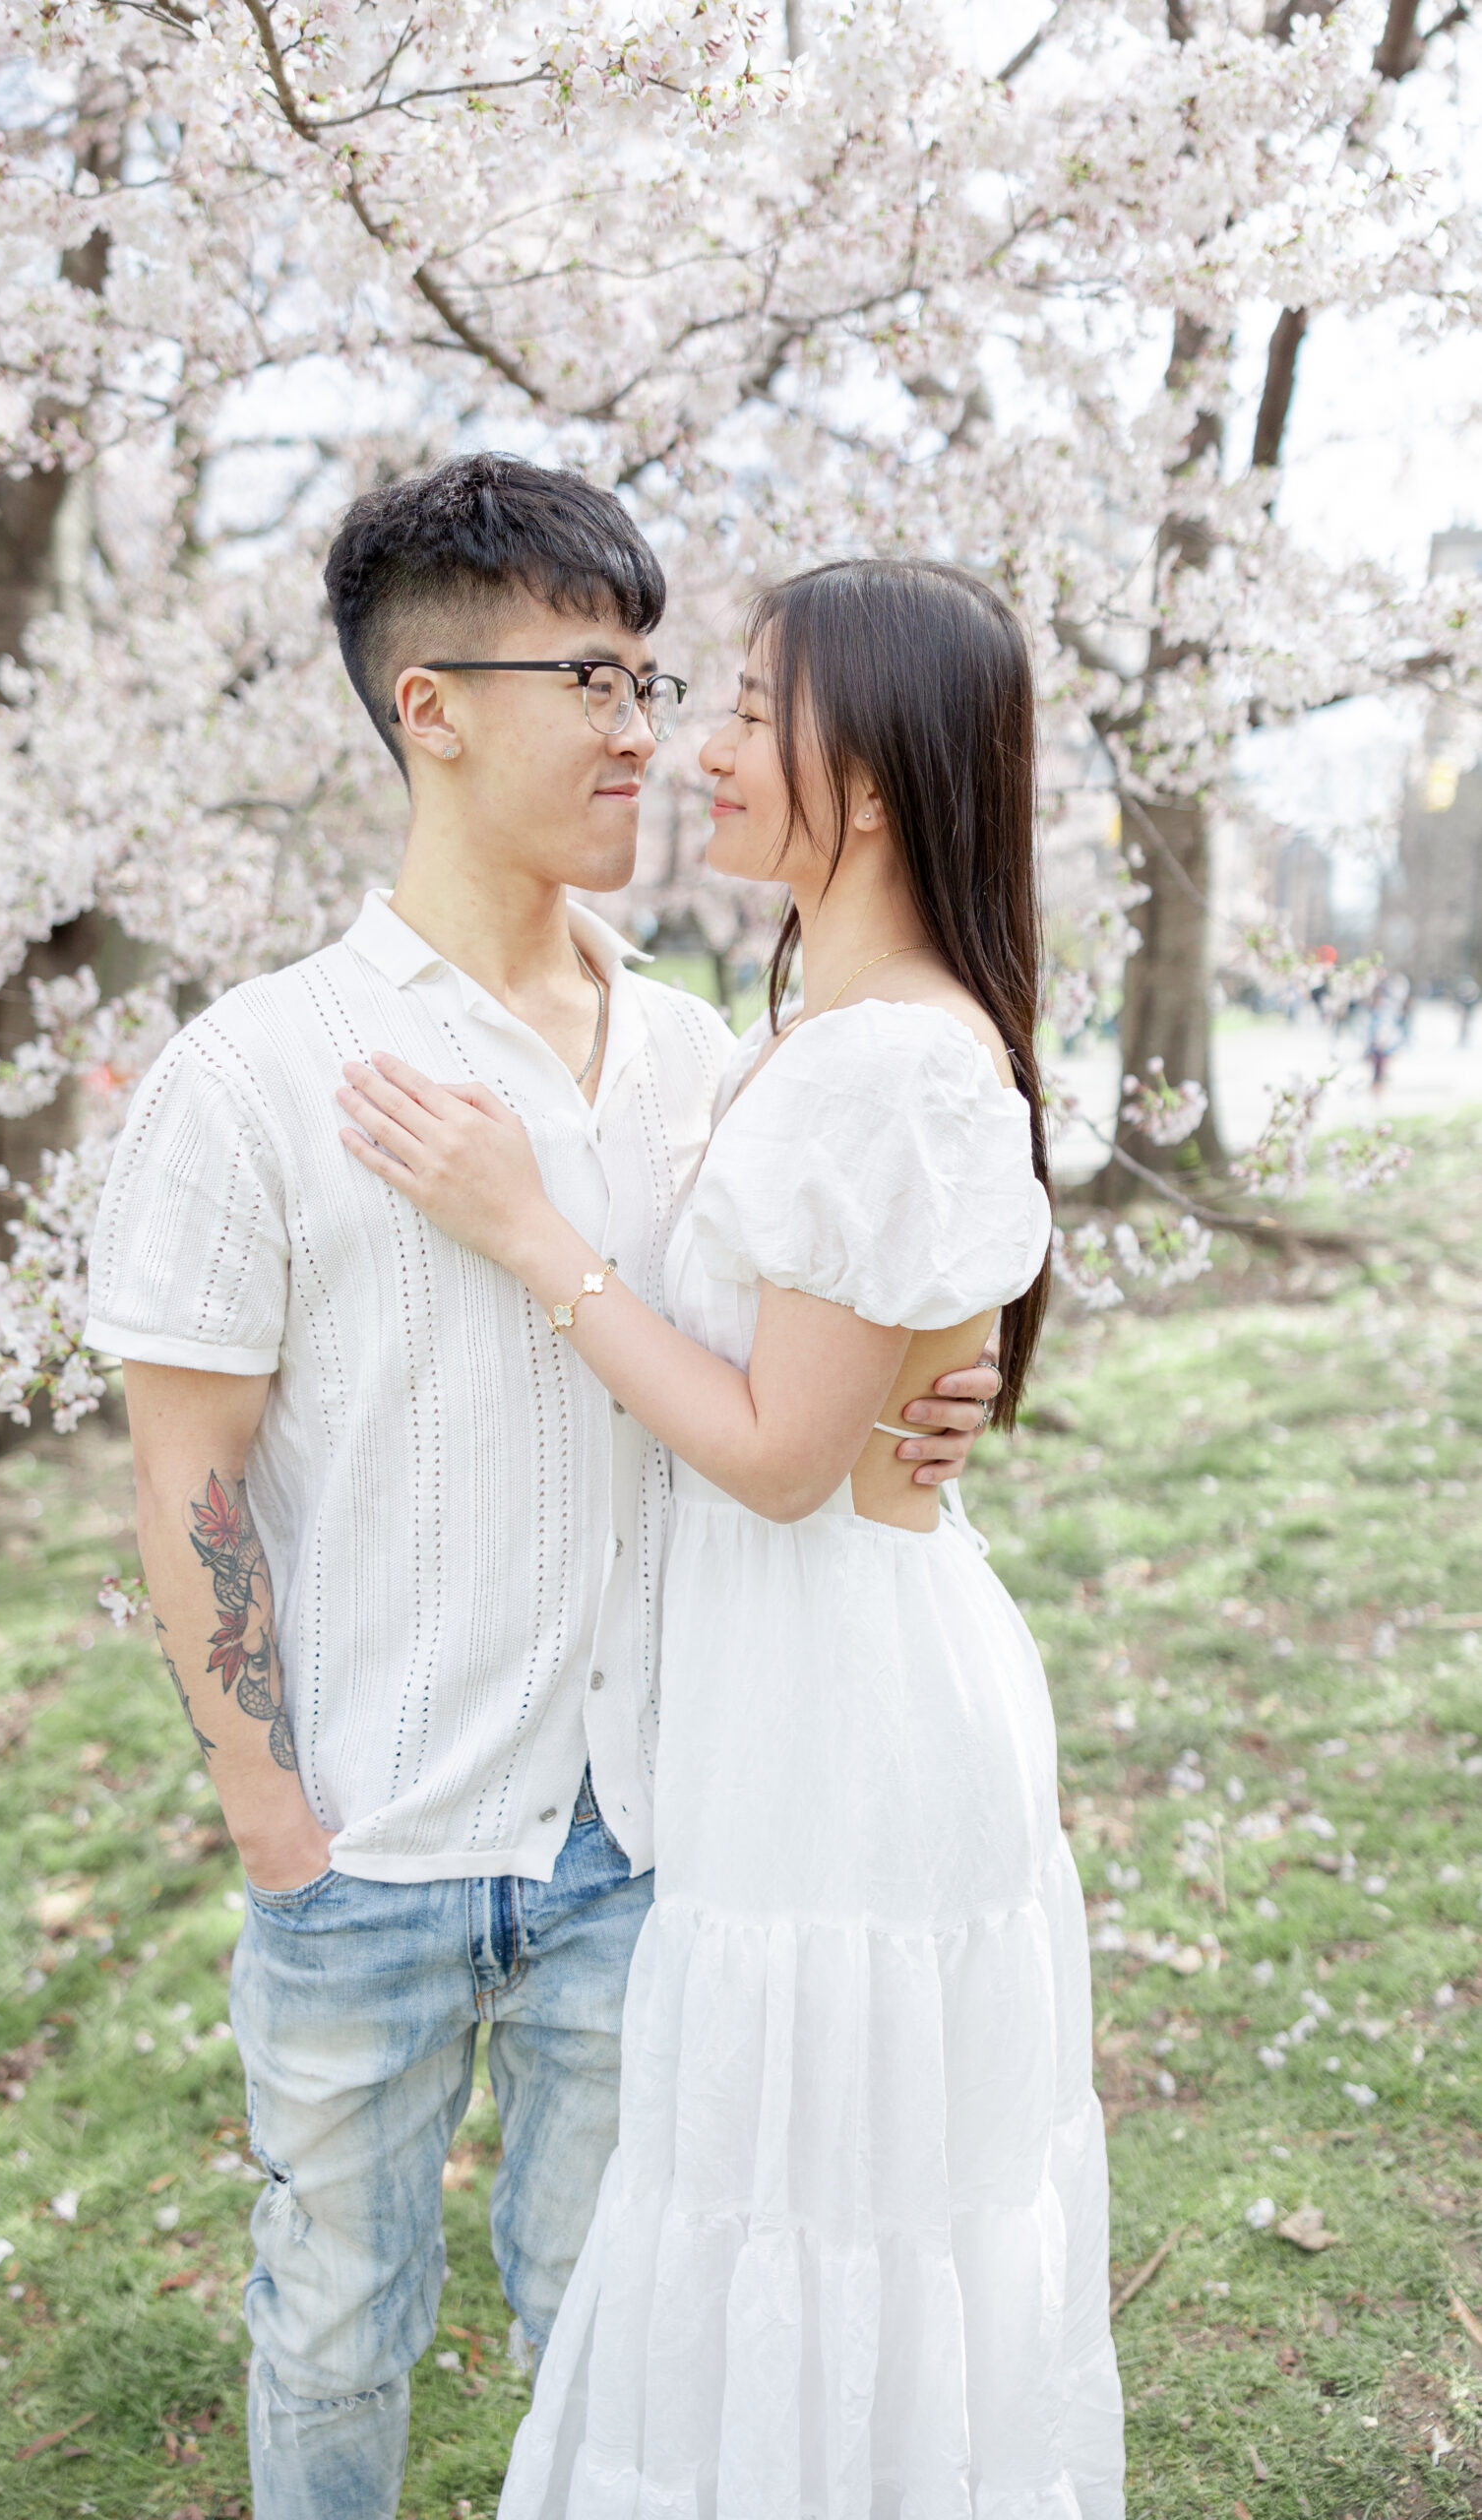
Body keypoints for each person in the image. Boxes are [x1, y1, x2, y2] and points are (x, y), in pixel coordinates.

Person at [83, 456, 998, 2519]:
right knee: (329, 2325)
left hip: (646, 1838)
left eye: (654, 676)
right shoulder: (252, 1072)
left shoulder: (702, 1056)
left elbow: (810, 1338)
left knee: (624, 2325)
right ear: (431, 708)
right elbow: (187, 1466)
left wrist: (904, 1421)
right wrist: (277, 1825)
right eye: (588, 676)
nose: (641, 730)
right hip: (373, 1844)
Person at [339, 557, 1125, 2514]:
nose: (686, 744)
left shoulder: (884, 1059)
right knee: (765, 2198)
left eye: (742, 706)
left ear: (859, 773)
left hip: (848, 1721)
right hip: (800, 1687)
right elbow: (838, 1367)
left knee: (828, 2200)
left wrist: (534, 1234)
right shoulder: (820, 1027)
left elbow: (776, 1455)